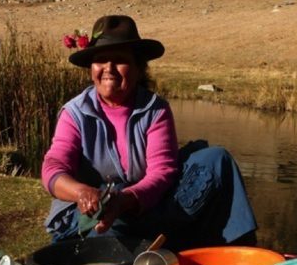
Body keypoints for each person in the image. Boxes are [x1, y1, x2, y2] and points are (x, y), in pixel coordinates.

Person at [41, 15, 257, 251]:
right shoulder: (75, 113)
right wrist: (82, 192)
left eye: (120, 60)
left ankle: (238, 254)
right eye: (101, 60)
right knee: (110, 214)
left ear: (138, 68)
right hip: (95, 218)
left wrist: (125, 200)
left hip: (142, 203)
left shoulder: (155, 109)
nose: (108, 69)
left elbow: (162, 172)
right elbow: (53, 167)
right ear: (91, 68)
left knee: (217, 159)